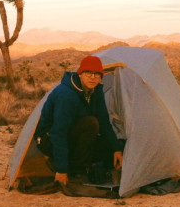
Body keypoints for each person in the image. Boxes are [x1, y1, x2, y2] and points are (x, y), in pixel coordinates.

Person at [35, 55, 123, 185]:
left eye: (97, 74)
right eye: (88, 73)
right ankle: (76, 170)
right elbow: (58, 132)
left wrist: (116, 149)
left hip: (74, 136)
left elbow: (104, 123)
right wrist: (61, 169)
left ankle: (77, 163)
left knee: (112, 149)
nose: (93, 77)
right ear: (80, 74)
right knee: (91, 123)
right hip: (49, 139)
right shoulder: (66, 94)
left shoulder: (96, 91)